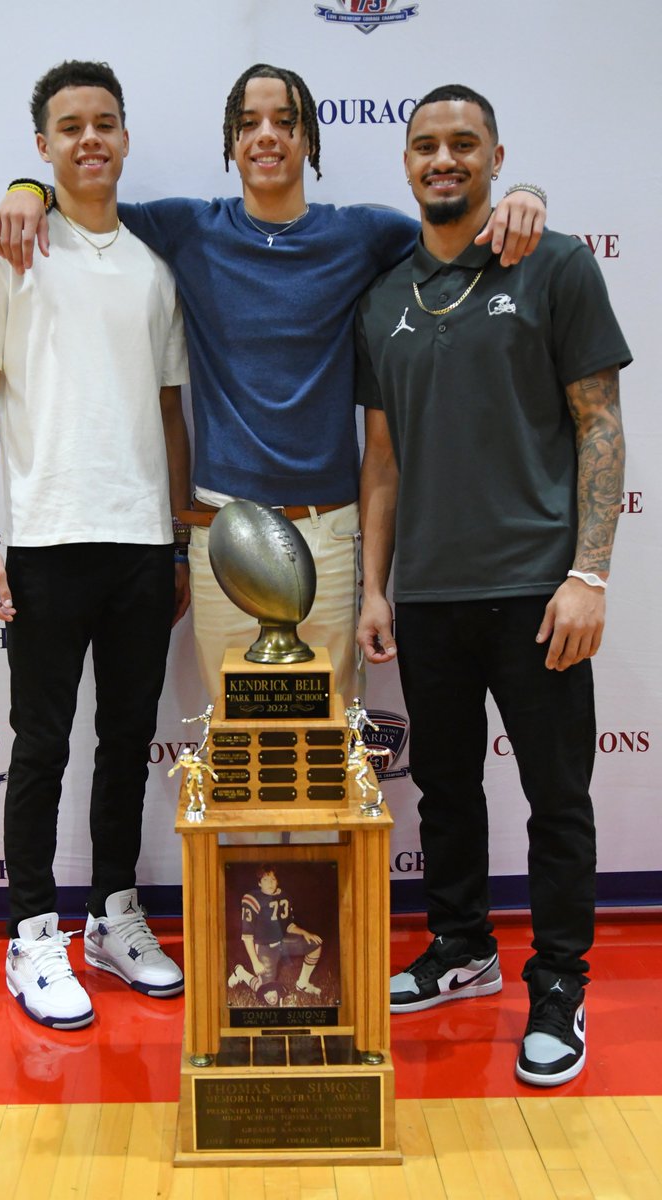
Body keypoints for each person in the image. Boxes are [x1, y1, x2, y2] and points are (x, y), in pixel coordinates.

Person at [0, 63, 547, 706]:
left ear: (309, 140)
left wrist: (525, 192)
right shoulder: (189, 228)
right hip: (224, 534)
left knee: (325, 742)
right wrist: (28, 187)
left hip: (331, 534)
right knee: (237, 745)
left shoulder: (362, 234)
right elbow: (88, 194)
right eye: (249, 123)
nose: (267, 136)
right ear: (230, 142)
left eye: (286, 122)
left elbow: (457, 225)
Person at [355, 85, 630, 1086]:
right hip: (426, 594)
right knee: (443, 789)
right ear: (405, 163)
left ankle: (556, 985)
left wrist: (587, 572)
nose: (443, 159)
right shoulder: (382, 296)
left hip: (535, 591)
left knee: (556, 797)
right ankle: (461, 948)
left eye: (462, 144)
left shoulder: (550, 262)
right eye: (425, 145)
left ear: (493, 155)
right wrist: (375, 590)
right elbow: (379, 461)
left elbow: (596, 424)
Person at [0, 61, 190, 1030]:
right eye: (68, 127)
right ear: (43, 147)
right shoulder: (5, 244)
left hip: (140, 544)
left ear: (124, 138)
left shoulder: (152, 267)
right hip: (46, 541)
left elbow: (171, 417)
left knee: (127, 744)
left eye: (104, 123)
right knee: (43, 745)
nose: (89, 139)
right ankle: (30, 934)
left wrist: (176, 541)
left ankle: (113, 916)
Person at [227, 864, 324, 1000]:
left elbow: (289, 925)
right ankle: (241, 973)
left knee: (315, 945)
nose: (270, 883)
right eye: (265, 880)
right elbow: (247, 936)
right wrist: (255, 961)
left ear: (277, 881)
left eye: (273, 879)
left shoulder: (284, 896)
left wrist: (305, 933)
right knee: (270, 996)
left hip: (284, 942)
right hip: (265, 948)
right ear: (259, 883)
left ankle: (303, 983)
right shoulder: (252, 899)